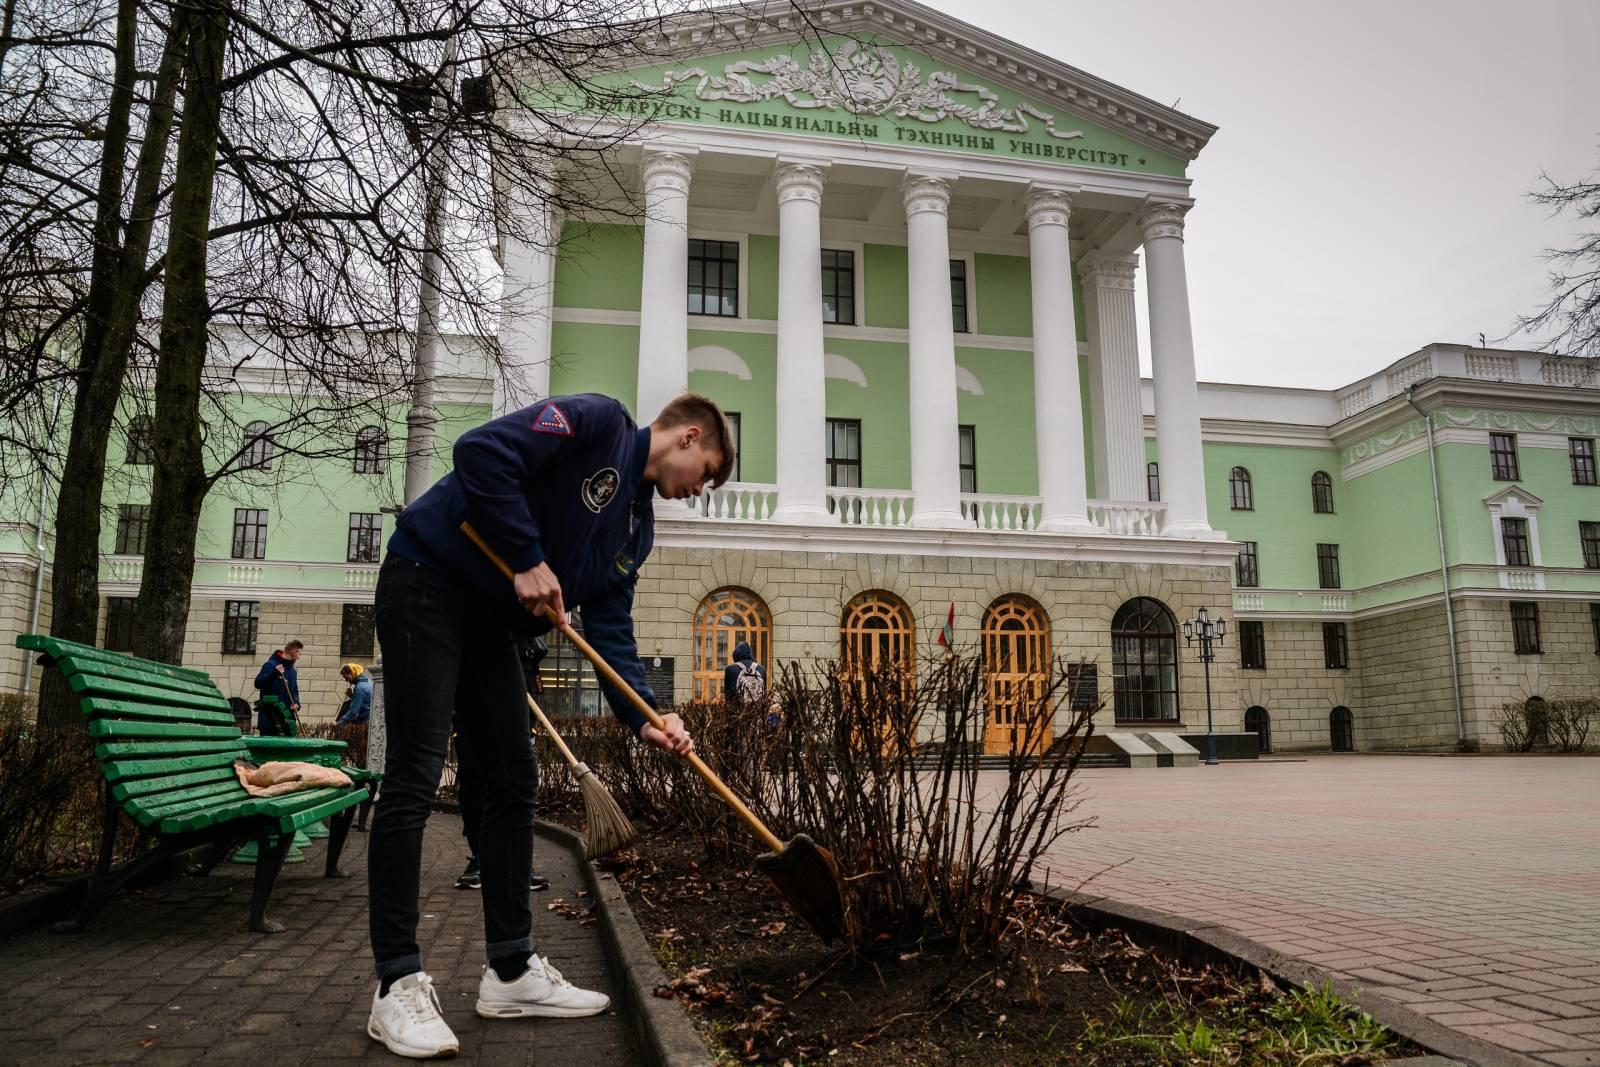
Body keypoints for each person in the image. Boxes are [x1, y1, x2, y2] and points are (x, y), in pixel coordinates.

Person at [364, 391, 730, 1058]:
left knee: (511, 779)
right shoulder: (598, 423)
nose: (697, 489)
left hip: (487, 622)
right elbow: (480, 452)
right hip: (429, 577)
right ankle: (396, 982)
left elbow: (611, 627)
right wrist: (528, 555)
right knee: (415, 771)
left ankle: (510, 970)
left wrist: (645, 712)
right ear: (689, 434)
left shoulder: (634, 529)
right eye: (704, 472)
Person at [457, 637, 551, 893]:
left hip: (514, 720)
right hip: (471, 710)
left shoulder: (525, 643)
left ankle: (518, 862)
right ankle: (479, 858)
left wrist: (529, 726)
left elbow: (531, 682)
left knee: (515, 785)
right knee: (473, 783)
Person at [253, 639, 303, 735]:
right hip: (270, 721)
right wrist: (274, 673)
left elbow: (295, 690)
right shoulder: (270, 664)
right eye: (299, 654)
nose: (299, 657)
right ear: (293, 652)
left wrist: (296, 703)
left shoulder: (293, 670)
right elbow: (258, 683)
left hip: (287, 722)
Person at [723, 640, 767, 707]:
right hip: (757, 712)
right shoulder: (761, 669)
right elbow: (764, 693)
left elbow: (728, 696)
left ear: (736, 653)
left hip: (737, 712)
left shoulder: (730, 669)